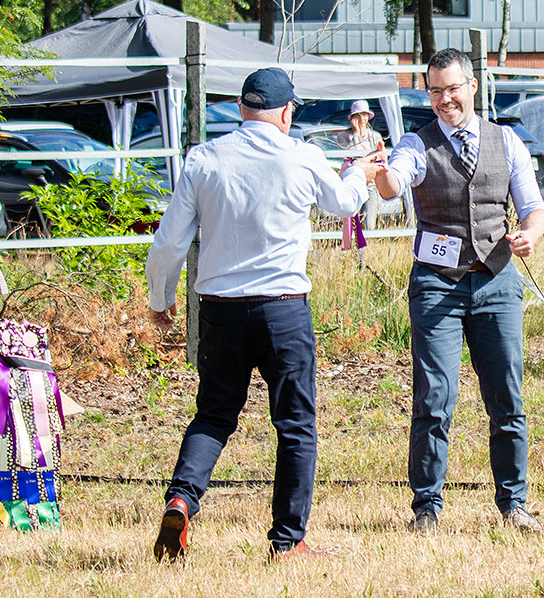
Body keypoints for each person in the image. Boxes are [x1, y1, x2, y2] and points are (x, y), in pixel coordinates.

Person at [146, 67, 379, 563]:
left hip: (220, 311)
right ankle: (287, 539)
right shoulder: (302, 156)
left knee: (212, 415)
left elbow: (169, 241)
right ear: (287, 111)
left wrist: (160, 297)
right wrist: (358, 171)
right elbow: (344, 203)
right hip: (283, 311)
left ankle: (182, 499)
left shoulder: (203, 159)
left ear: (239, 108)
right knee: (295, 424)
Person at [369, 48, 544, 533]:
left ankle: (514, 504)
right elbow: (393, 184)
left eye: (452, 88)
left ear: (472, 86)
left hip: (496, 280)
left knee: (506, 396)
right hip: (436, 286)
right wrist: (383, 173)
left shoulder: (507, 141)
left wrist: (531, 233)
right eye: (435, 91)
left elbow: (533, 207)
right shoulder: (415, 143)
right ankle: (426, 506)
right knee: (434, 396)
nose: (445, 99)